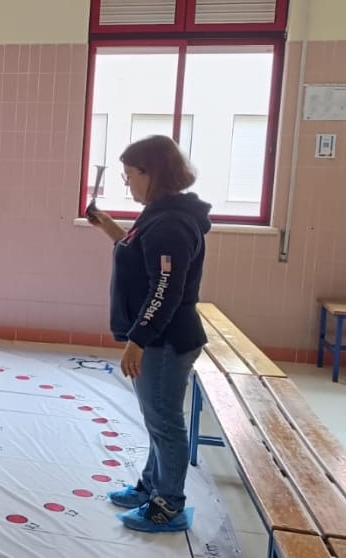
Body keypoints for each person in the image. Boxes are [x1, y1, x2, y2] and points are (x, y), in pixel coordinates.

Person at [87, 135, 211, 533]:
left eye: (129, 176)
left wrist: (137, 340)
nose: (127, 184)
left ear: (150, 173)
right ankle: (151, 487)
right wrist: (106, 224)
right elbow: (137, 251)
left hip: (165, 339)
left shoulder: (171, 222)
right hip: (160, 335)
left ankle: (168, 505)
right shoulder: (158, 213)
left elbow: (165, 288)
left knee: (164, 422)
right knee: (157, 418)